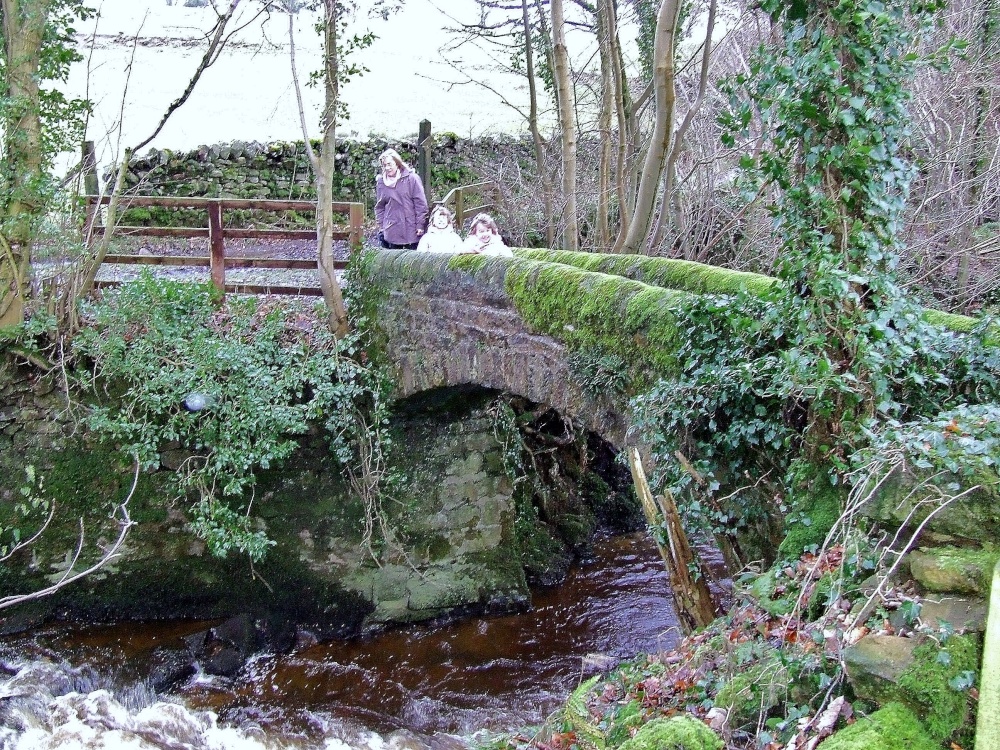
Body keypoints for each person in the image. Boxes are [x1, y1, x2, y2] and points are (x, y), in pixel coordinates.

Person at [374, 148, 428, 249]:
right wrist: (382, 226)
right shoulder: (381, 182)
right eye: (384, 165)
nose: (387, 168)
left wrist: (420, 225)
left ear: (397, 163)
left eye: (390, 164)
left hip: (411, 229)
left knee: (411, 262)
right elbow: (379, 207)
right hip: (391, 230)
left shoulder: (412, 178)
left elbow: (420, 204)